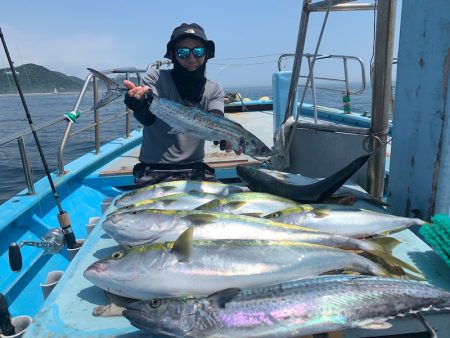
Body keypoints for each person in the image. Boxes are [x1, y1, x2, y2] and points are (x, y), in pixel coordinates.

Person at [124, 23, 234, 188]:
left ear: (207, 54)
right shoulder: (155, 77)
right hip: (154, 169)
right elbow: (147, 118)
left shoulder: (214, 89)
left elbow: (215, 118)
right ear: (172, 55)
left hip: (195, 168)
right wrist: (139, 106)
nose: (191, 59)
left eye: (198, 51)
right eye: (183, 52)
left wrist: (225, 135)